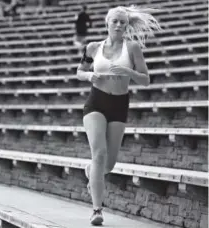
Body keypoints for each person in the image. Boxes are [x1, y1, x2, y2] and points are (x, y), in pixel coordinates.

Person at [76, 5, 161, 226]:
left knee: (109, 164)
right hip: (96, 102)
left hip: (119, 104)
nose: (119, 25)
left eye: (122, 22)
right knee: (99, 153)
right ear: (107, 23)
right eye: (115, 21)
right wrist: (89, 76)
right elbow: (79, 71)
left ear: (127, 25)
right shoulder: (93, 47)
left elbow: (145, 79)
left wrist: (128, 72)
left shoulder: (132, 48)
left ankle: (91, 172)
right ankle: (97, 210)